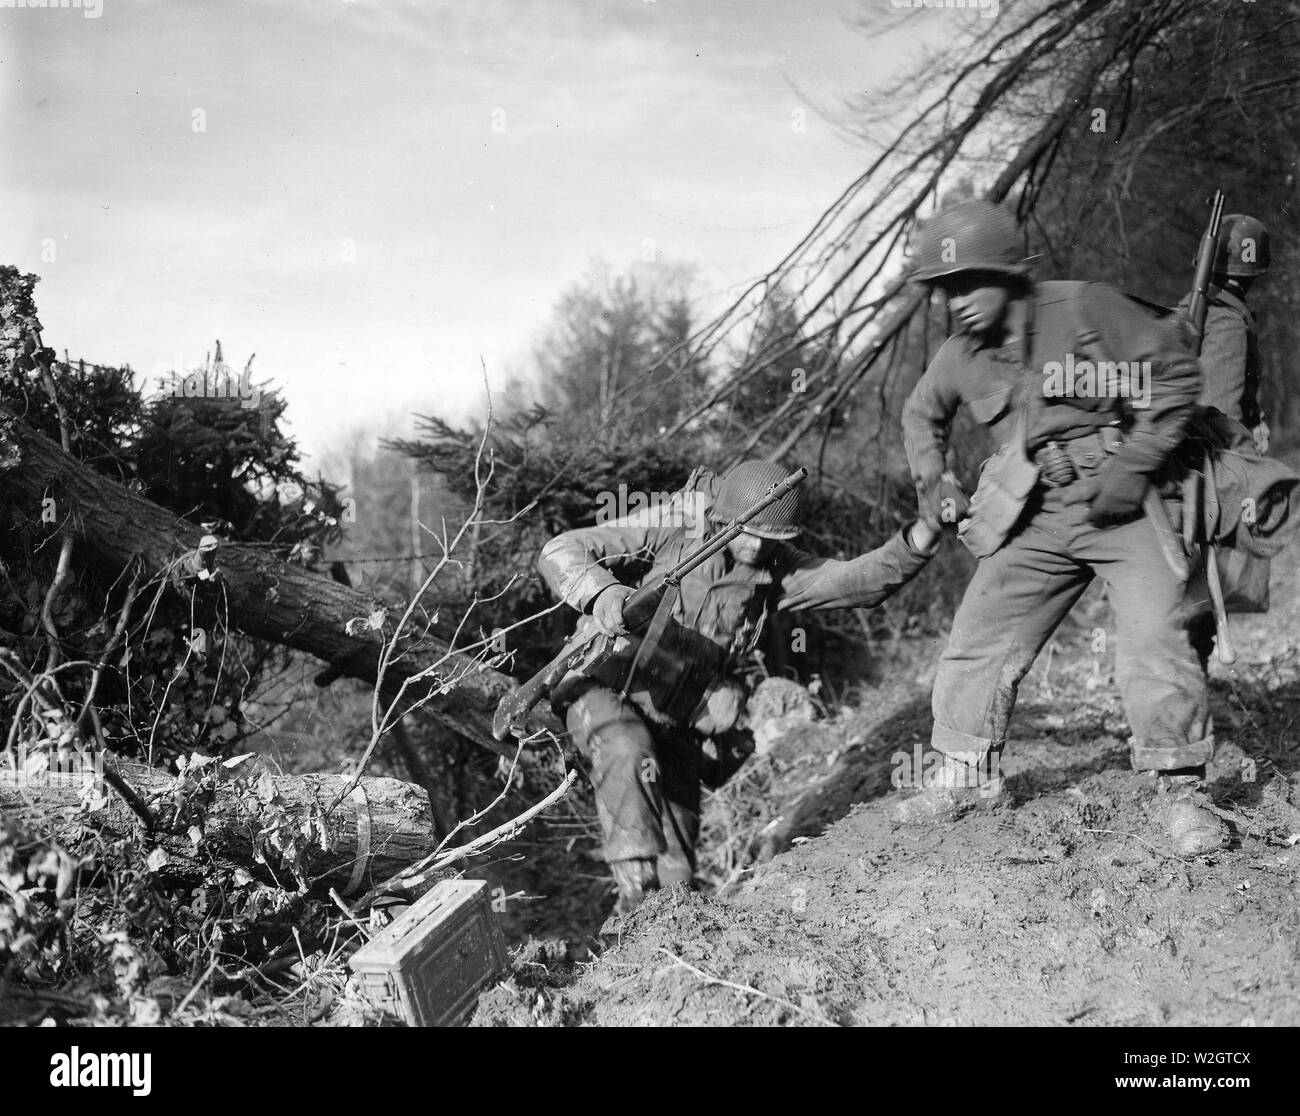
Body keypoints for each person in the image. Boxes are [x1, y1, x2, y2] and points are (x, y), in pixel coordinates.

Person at [897, 198, 1226, 857]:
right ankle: (967, 774)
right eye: (944, 290)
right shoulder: (962, 353)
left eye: (969, 283)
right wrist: (935, 480)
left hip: (1122, 498)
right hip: (1038, 510)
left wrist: (1135, 465)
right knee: (979, 636)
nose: (956, 302)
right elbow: (919, 413)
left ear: (1011, 275)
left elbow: (1176, 373)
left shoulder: (1084, 305)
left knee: (1155, 634)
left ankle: (1181, 789)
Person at [537, 459, 939, 913]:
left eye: (764, 536)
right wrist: (602, 592)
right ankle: (630, 888)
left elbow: (857, 582)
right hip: (604, 686)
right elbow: (562, 549)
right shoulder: (679, 520)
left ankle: (648, 955)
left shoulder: (777, 571)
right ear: (719, 516)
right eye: (740, 529)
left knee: (677, 880)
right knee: (627, 748)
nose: (750, 543)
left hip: (678, 722)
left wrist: (922, 537)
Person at [1176, 214, 1273, 671]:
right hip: (1207, 458)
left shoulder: (1194, 308)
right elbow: (1223, 408)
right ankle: (1192, 668)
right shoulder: (1229, 320)